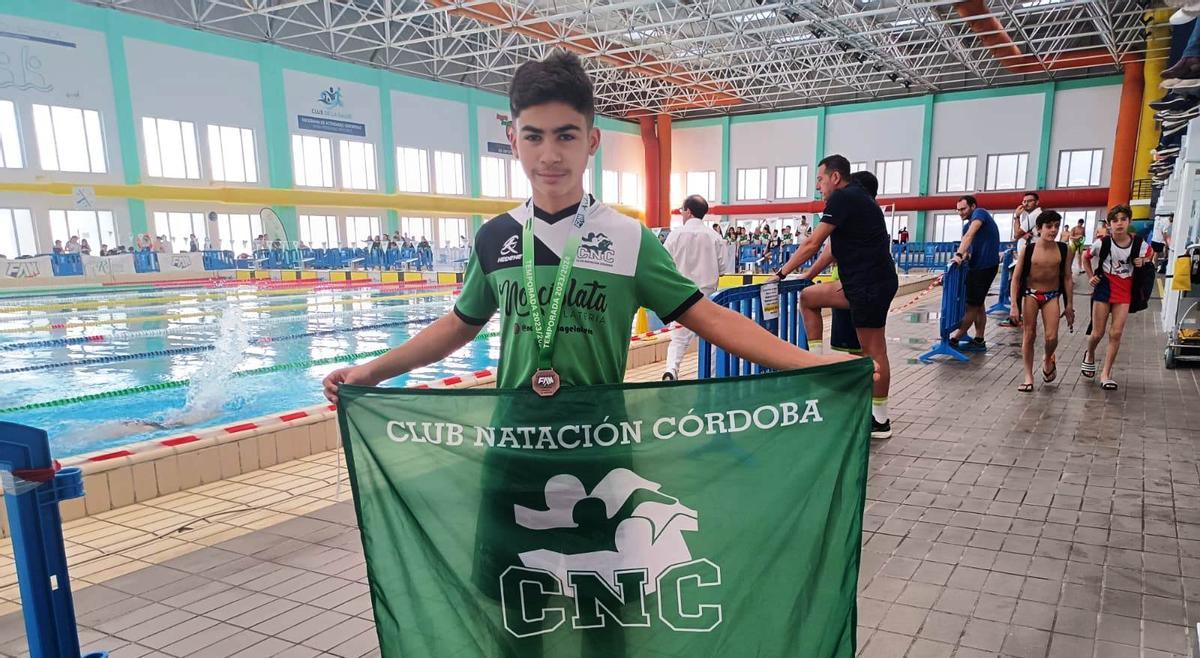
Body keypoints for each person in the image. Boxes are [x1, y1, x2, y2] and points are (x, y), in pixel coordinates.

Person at [321, 53, 861, 653]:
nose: (549, 153)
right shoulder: (497, 237)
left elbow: (705, 316)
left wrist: (807, 363)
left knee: (605, 616)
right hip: (515, 448)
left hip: (602, 450)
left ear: (592, 141)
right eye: (534, 136)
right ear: (513, 140)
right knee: (515, 607)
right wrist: (372, 370)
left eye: (565, 135)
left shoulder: (629, 238)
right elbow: (458, 324)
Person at [774, 154, 897, 439]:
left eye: (820, 179)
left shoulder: (843, 198)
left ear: (835, 177)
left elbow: (813, 243)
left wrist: (780, 274)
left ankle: (880, 420)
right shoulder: (855, 200)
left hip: (870, 285)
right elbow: (831, 250)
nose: (818, 186)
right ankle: (817, 366)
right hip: (858, 283)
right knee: (808, 297)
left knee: (874, 351)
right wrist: (804, 276)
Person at [1081, 205, 1153, 390]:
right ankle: (1089, 355)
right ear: (1109, 224)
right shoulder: (1102, 243)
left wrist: (1143, 261)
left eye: (1123, 219)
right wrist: (1090, 276)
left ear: (1129, 222)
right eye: (1115, 220)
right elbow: (1085, 256)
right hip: (1104, 289)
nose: (1119, 223)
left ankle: (1105, 374)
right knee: (1097, 333)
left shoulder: (1139, 244)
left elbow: (1152, 256)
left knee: (1116, 333)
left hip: (1125, 291)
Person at [661, 195, 730, 381]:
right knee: (712, 339)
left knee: (679, 338)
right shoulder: (715, 237)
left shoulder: (674, 235)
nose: (682, 213)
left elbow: (665, 263)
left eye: (683, 210)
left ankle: (671, 371)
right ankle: (712, 376)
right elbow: (724, 269)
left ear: (688, 211)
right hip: (709, 295)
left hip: (682, 294)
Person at [1010, 210, 1074, 392]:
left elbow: (1068, 278)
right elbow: (1016, 278)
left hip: (1051, 296)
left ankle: (1047, 357)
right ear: (1039, 229)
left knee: (1051, 337)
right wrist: (1014, 305)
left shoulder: (1063, 250)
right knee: (1029, 335)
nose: (1053, 230)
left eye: (1056, 226)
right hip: (1030, 294)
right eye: (1049, 226)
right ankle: (1028, 377)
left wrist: (1069, 305)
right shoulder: (1028, 250)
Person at [949, 196, 1001, 351]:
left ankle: (955, 338)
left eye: (963, 209)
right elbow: (969, 249)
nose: (960, 213)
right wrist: (964, 256)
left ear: (972, 206)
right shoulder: (966, 227)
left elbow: (970, 235)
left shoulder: (980, 213)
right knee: (979, 305)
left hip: (984, 268)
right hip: (976, 267)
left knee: (971, 306)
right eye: (958, 210)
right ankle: (979, 339)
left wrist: (958, 255)